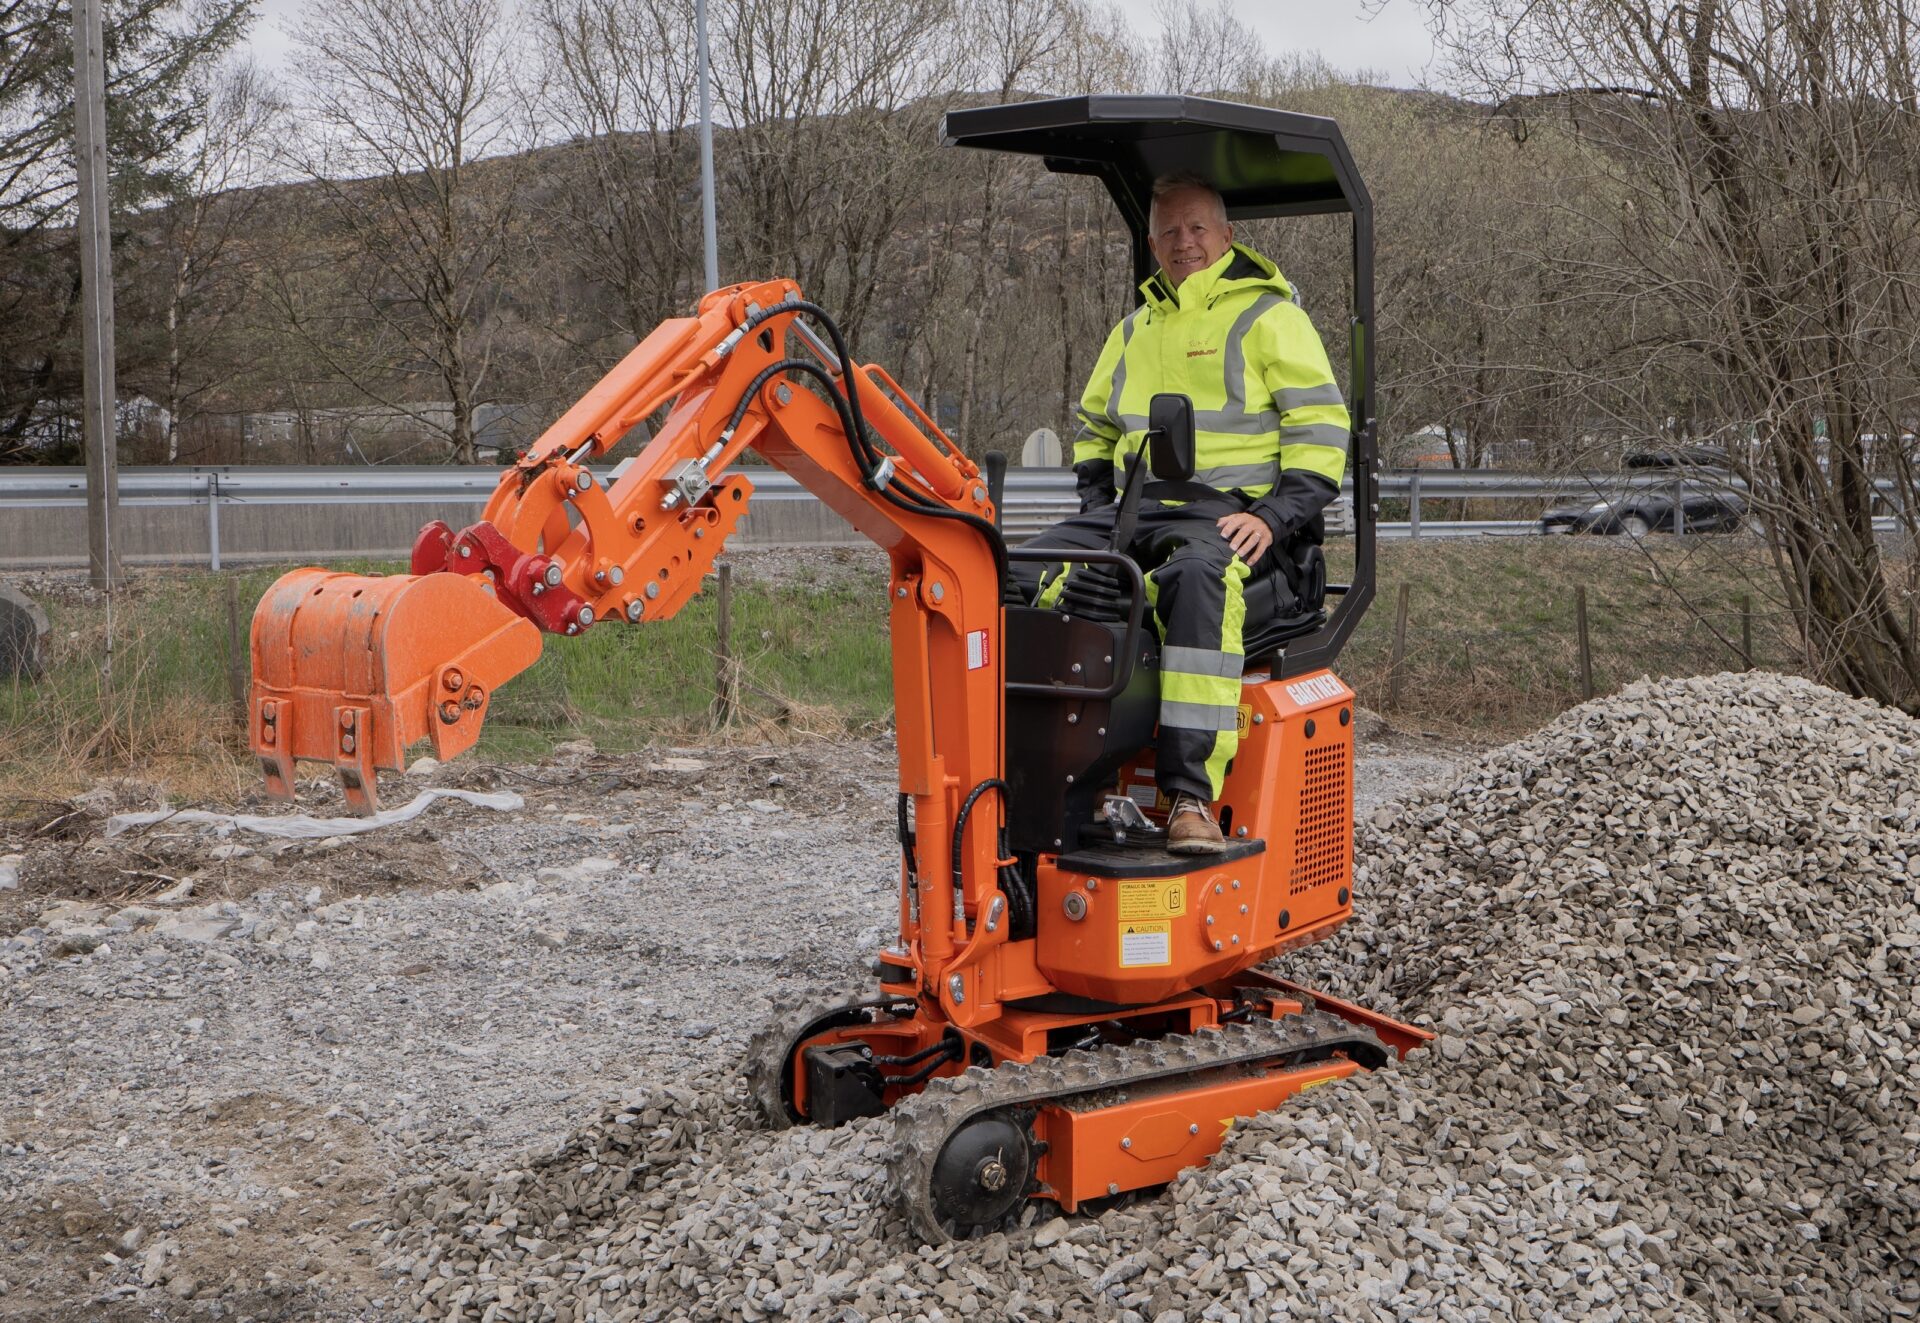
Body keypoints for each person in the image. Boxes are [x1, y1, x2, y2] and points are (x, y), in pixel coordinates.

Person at [1017, 173, 1350, 854]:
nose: (1184, 241)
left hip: (1226, 516)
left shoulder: (1270, 318)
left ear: (1227, 236)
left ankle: (1190, 795)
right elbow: (1094, 431)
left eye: (1197, 227)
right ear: (1152, 242)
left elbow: (1321, 433)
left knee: (1198, 579)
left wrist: (1273, 516)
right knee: (1008, 569)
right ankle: (1037, 773)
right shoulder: (1133, 330)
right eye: (1169, 229)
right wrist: (1100, 511)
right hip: (1134, 512)